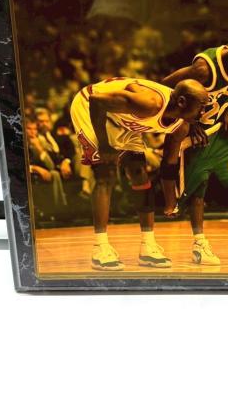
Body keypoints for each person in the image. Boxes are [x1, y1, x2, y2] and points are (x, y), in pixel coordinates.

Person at [70, 77, 209, 271]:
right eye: (201, 107)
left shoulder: (181, 126)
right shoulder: (149, 103)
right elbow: (97, 101)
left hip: (124, 118)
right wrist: (104, 145)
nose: (204, 113)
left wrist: (171, 202)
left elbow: (168, 165)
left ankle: (148, 245)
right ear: (182, 102)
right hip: (91, 106)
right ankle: (100, 247)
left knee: (140, 175)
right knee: (106, 174)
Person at [161, 26, 228, 265]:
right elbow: (165, 86)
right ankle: (199, 244)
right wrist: (189, 121)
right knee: (198, 189)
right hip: (197, 134)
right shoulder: (203, 69)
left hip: (222, 127)